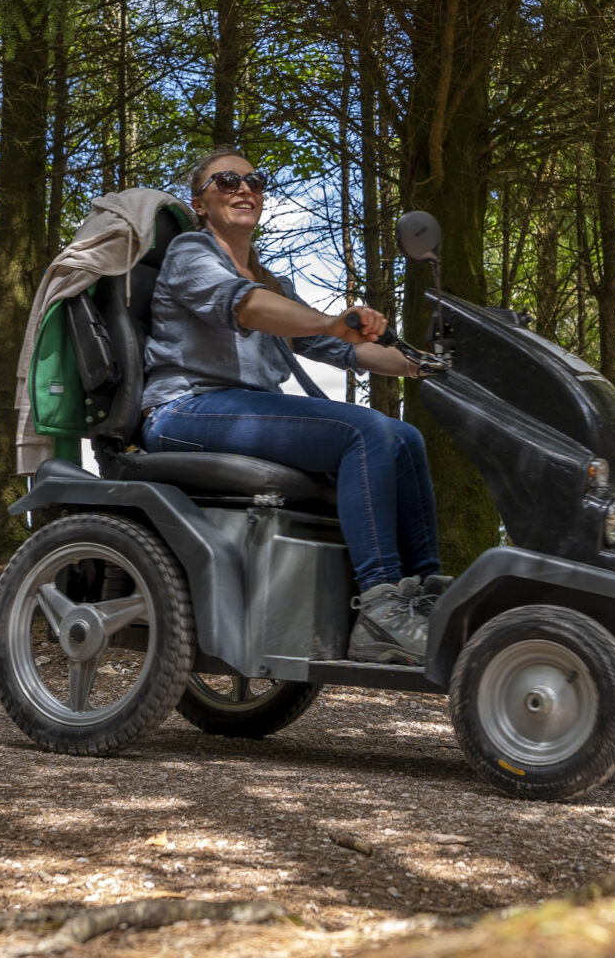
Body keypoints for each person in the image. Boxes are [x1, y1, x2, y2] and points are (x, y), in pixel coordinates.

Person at [140, 146, 444, 664]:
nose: (244, 189)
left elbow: (346, 349)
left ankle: (425, 596)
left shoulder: (272, 281)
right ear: (200, 203)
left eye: (254, 182)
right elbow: (248, 308)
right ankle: (380, 609)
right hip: (184, 410)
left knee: (404, 436)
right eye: (227, 181)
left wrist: (422, 366)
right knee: (363, 431)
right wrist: (328, 320)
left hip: (242, 411)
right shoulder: (191, 253)